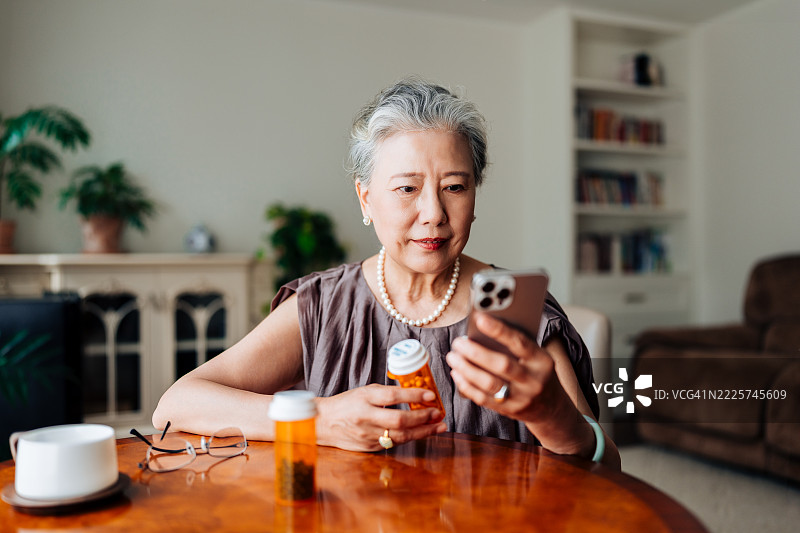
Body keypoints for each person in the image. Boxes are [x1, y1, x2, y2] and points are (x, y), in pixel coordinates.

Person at [153, 77, 620, 468]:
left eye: (455, 187)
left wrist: (557, 418)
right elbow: (175, 405)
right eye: (407, 188)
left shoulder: (517, 307)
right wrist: (320, 418)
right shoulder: (324, 305)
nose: (434, 213)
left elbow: (609, 468)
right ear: (365, 200)